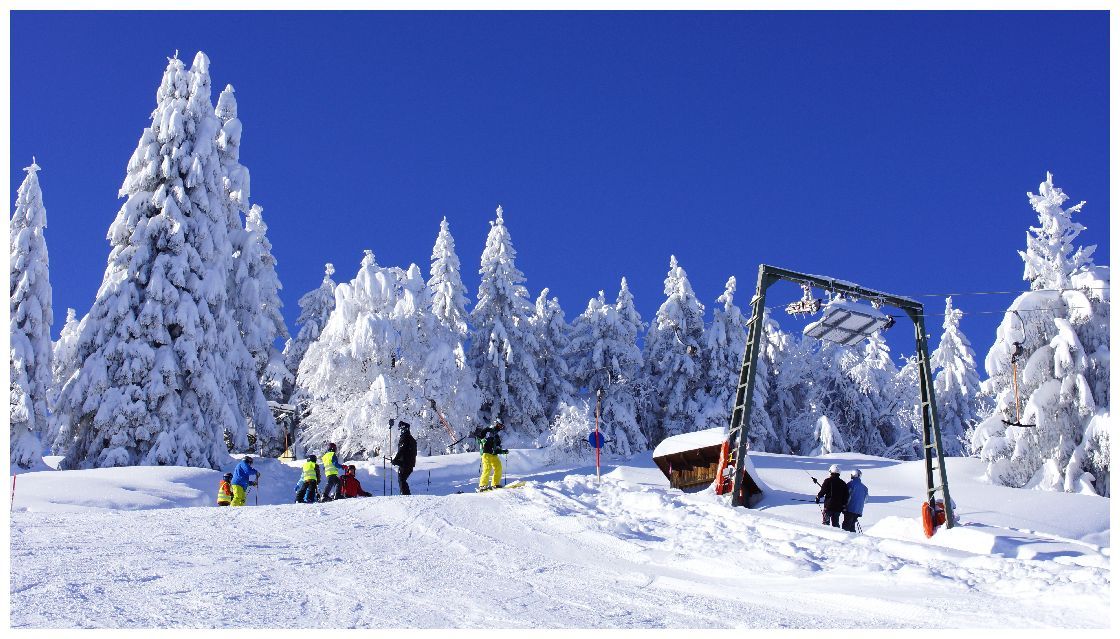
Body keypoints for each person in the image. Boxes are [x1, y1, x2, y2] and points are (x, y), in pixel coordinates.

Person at [477, 421, 509, 492]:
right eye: (500, 425)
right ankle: (482, 485)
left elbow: (497, 448)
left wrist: (503, 451)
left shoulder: (497, 436)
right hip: (486, 453)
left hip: (493, 454)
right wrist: (481, 440)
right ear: (496, 424)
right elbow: (478, 438)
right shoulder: (487, 430)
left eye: (502, 426)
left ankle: (495, 484)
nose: (501, 427)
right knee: (487, 468)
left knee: (498, 467)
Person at [815, 463, 848, 527]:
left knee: (826, 523)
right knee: (835, 524)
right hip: (838, 507)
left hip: (828, 506)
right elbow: (846, 496)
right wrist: (844, 505)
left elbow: (823, 491)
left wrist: (818, 497)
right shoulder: (843, 483)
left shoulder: (828, 481)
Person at [390, 421, 418, 495]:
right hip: (410, 464)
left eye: (400, 429)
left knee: (401, 479)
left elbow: (402, 450)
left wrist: (395, 460)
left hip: (405, 463)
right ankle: (406, 495)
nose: (400, 431)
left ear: (403, 429)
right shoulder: (412, 439)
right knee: (403, 480)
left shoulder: (405, 437)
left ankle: (405, 496)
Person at [843, 468, 869, 532]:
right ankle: (853, 537)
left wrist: (844, 505)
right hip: (858, 510)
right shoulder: (864, 487)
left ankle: (846, 538)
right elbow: (866, 500)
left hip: (850, 509)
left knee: (846, 527)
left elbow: (846, 496)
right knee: (852, 526)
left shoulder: (850, 484)